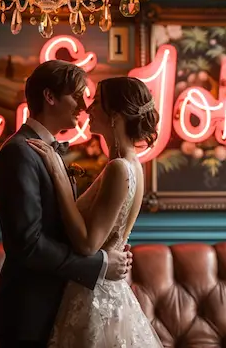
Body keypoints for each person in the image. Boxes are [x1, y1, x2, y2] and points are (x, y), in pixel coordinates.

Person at [0, 60, 133, 348]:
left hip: (55, 306)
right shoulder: (19, 153)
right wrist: (100, 263)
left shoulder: (43, 150)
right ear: (50, 97)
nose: (84, 104)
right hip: (29, 312)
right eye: (76, 95)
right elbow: (27, 244)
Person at [27, 76, 164, 347]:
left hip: (95, 294)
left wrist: (58, 175)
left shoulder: (119, 169)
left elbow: (88, 244)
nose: (88, 109)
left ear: (115, 116)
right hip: (104, 286)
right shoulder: (134, 166)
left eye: (97, 103)